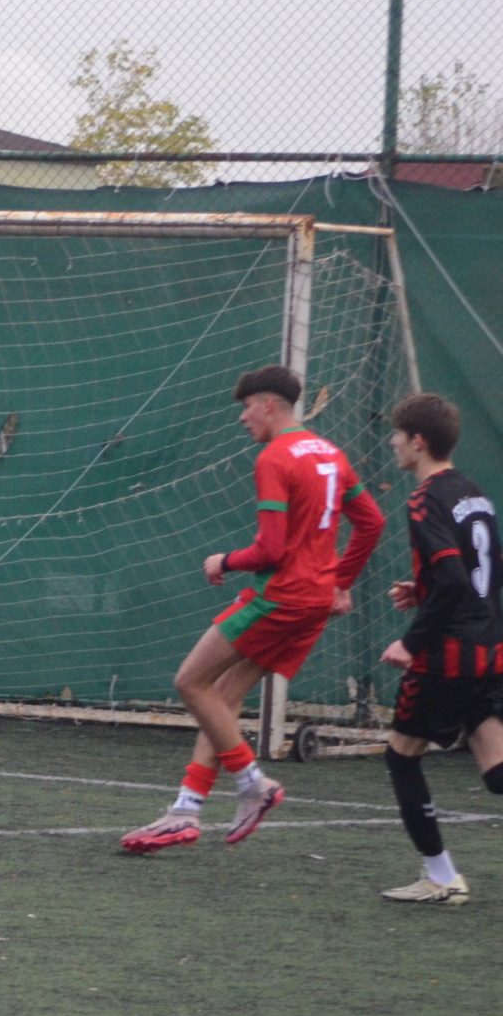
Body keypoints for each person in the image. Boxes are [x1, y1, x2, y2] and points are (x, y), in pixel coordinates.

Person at [122, 366, 382, 855]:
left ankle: (253, 784)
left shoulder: (275, 457)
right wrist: (339, 584)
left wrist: (224, 561)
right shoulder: (330, 453)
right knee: (222, 695)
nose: (243, 418)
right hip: (312, 603)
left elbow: (271, 549)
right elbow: (372, 523)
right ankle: (186, 809)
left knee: (189, 682)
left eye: (246, 407)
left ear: (268, 404)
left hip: (279, 597)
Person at [375, 391, 502, 905]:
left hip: (449, 654)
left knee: (401, 756)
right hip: (489, 646)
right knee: (497, 772)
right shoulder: (474, 492)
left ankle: (442, 876)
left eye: (397, 435)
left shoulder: (425, 499)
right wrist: (424, 587)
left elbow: (452, 581)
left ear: (418, 441)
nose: (392, 443)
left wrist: (410, 642)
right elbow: (482, 571)